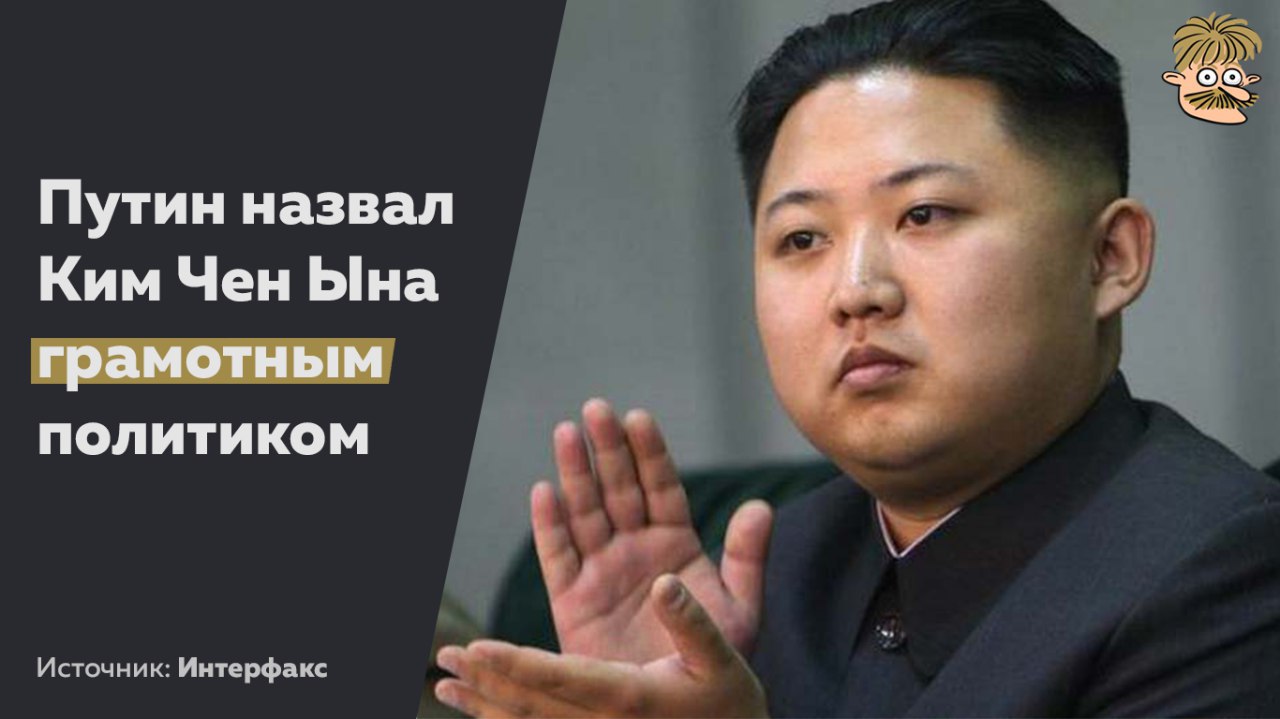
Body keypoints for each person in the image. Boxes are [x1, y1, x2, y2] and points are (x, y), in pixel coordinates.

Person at [434, 0, 1280, 715]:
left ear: (1110, 257)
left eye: (925, 214)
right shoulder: (775, 565)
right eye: (803, 238)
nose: (857, 289)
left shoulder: (1225, 568)